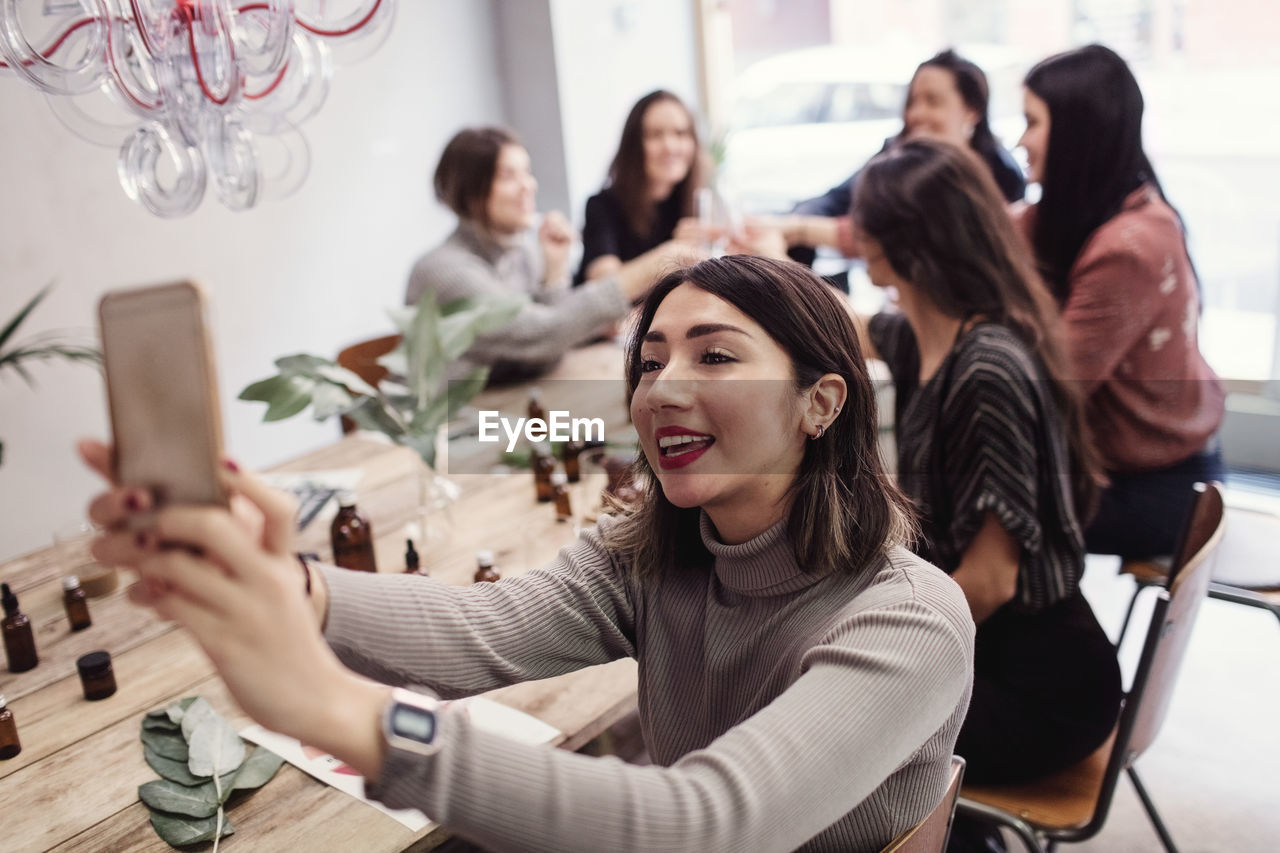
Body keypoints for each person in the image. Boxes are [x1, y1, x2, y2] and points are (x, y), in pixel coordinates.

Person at [82, 255, 975, 852]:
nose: (663, 389)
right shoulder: (655, 555)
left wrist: (344, 713)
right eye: (651, 362)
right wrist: (293, 584)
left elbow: (703, 824)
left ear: (821, 403)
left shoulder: (909, 618)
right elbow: (480, 630)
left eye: (715, 356)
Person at [852, 140, 1121, 806]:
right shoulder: (926, 334)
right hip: (993, 653)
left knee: (827, 730)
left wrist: (871, 639)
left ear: (904, 243)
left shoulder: (986, 368)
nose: (857, 234)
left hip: (1037, 684)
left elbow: (990, 582)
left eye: (868, 223)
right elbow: (856, 328)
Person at [1016, 44, 1226, 558]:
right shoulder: (1117, 200)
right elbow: (986, 229)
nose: (1020, 140)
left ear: (1076, 135)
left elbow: (1051, 391)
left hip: (1158, 487)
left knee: (980, 518)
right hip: (1150, 464)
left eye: (1031, 122)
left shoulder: (1128, 246)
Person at [405, 127, 697, 382]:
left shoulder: (525, 253)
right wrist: (650, 268)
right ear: (469, 193)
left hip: (498, 409)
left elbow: (551, 349)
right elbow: (539, 336)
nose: (528, 186)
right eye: (508, 176)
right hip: (435, 427)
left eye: (527, 173)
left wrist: (554, 272)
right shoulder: (442, 271)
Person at [764, 49, 1025, 262]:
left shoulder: (1003, 176)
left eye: (932, 101)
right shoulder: (896, 155)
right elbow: (838, 198)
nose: (916, 114)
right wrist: (789, 225)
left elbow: (891, 238)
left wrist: (797, 227)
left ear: (972, 110)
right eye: (912, 102)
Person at [576, 90, 707, 285]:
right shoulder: (602, 206)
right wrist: (675, 253)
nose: (670, 146)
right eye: (655, 135)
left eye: (680, 133)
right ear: (634, 145)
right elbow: (603, 286)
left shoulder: (698, 202)